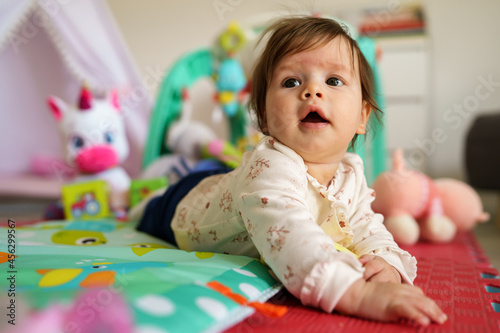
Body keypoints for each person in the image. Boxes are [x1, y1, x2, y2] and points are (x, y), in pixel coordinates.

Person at [134, 15, 447, 326]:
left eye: (334, 81)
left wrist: (387, 263)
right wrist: (357, 294)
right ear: (265, 118)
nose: (312, 90)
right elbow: (294, 240)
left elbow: (368, 226)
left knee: (220, 173)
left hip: (226, 184)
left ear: (362, 117)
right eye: (291, 82)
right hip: (184, 205)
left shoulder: (352, 173)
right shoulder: (270, 167)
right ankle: (151, 194)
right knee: (146, 210)